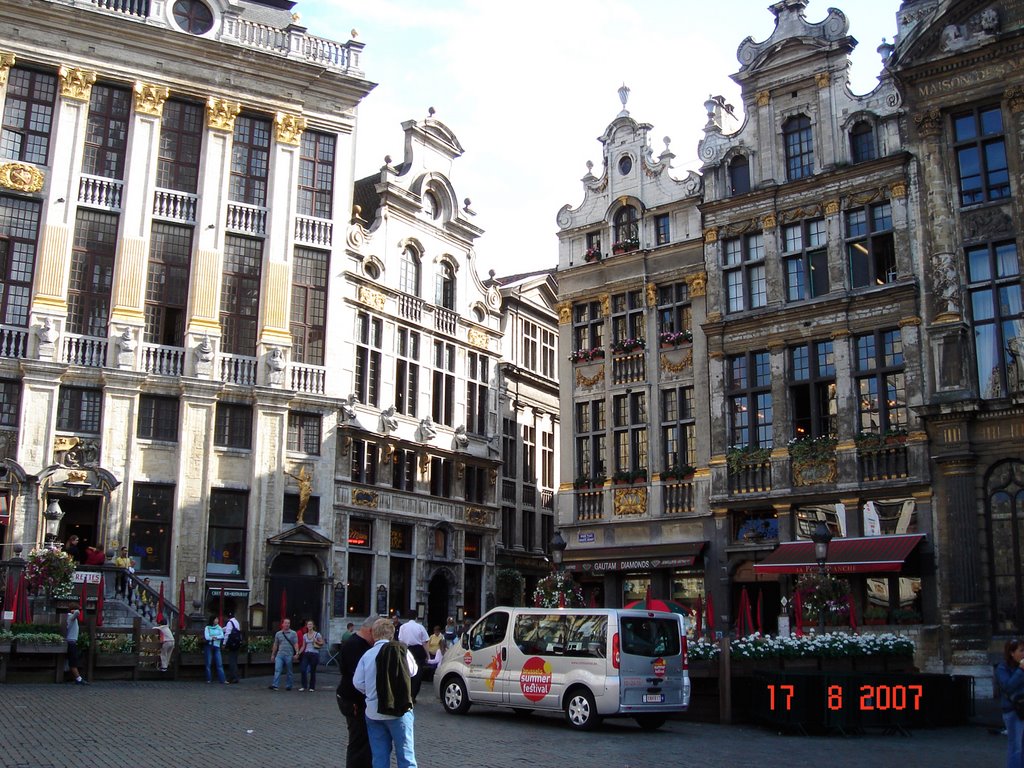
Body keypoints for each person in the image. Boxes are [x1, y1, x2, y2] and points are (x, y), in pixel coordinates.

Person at [353, 618, 419, 768]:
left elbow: (357, 682)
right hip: (399, 710)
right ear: (392, 634)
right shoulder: (401, 651)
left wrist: (372, 692)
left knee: (379, 757)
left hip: (374, 711)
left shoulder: (367, 655)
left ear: (374, 634)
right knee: (406, 756)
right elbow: (413, 671)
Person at [337, 615, 378, 768]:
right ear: (370, 630)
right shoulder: (355, 645)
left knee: (364, 740)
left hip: (357, 699)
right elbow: (357, 677)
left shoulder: (361, 644)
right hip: (353, 700)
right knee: (359, 740)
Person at [997, 638, 1024, 768]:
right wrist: (1020, 671)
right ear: (1012, 653)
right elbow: (1007, 686)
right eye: (1022, 651)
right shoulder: (1003, 668)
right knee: (1016, 746)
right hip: (1014, 710)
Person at [398, 613, 429, 702]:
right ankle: (413, 695)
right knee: (418, 673)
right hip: (418, 650)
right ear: (416, 617)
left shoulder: (403, 627)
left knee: (406, 671)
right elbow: (424, 642)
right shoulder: (420, 627)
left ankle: (406, 693)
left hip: (407, 649)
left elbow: (401, 641)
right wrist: (428, 655)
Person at [269, 617, 298, 691]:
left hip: (289, 654)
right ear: (282, 624)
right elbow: (275, 645)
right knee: (277, 669)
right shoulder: (278, 634)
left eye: (288, 623)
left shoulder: (293, 633)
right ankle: (275, 685)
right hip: (280, 654)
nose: (287, 624)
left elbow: (295, 644)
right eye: (285, 623)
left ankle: (289, 685)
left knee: (289, 671)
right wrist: (273, 654)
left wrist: (297, 653)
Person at [299, 619, 324, 692]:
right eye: (308, 624)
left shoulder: (317, 634)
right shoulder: (305, 635)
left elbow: (322, 643)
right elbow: (303, 646)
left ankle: (312, 687)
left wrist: (316, 641)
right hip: (306, 653)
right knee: (303, 669)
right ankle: (304, 686)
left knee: (313, 671)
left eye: (311, 624)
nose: (309, 626)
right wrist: (298, 653)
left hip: (314, 654)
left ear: (313, 626)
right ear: (306, 626)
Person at [66, 608, 87, 685]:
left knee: (73, 660)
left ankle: (77, 678)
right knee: (73, 661)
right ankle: (78, 679)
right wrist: (73, 610)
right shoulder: (71, 617)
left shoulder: (72, 618)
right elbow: (77, 612)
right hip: (71, 642)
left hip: (73, 642)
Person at [204, 615, 227, 684]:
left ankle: (222, 679)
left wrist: (215, 637)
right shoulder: (207, 627)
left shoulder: (219, 627)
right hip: (209, 646)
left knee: (219, 663)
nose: (217, 621)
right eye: (215, 619)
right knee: (208, 663)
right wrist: (212, 638)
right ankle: (208, 679)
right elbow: (207, 637)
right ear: (212, 620)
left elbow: (222, 635)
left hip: (217, 646)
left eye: (217, 619)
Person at [222, 611, 242, 683]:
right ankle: (235, 676)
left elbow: (227, 633)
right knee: (235, 660)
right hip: (237, 643)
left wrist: (224, 643)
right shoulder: (236, 622)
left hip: (232, 643)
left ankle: (233, 677)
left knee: (231, 661)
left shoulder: (229, 622)